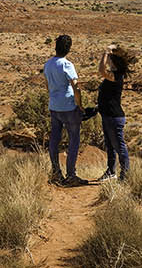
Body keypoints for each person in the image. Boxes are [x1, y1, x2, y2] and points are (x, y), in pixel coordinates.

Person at [43, 34, 86, 186]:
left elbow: (47, 86)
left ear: (56, 47)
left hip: (54, 107)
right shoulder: (67, 65)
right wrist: (79, 104)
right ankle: (71, 175)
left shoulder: (48, 64)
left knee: (54, 140)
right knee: (73, 140)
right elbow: (76, 87)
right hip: (68, 107)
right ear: (69, 48)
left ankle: (56, 172)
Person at [97, 44, 132, 182]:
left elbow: (101, 70)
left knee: (119, 147)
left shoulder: (116, 76)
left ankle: (125, 176)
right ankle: (111, 171)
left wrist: (105, 53)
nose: (108, 61)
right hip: (108, 116)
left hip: (114, 117)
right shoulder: (115, 76)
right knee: (110, 146)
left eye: (110, 59)